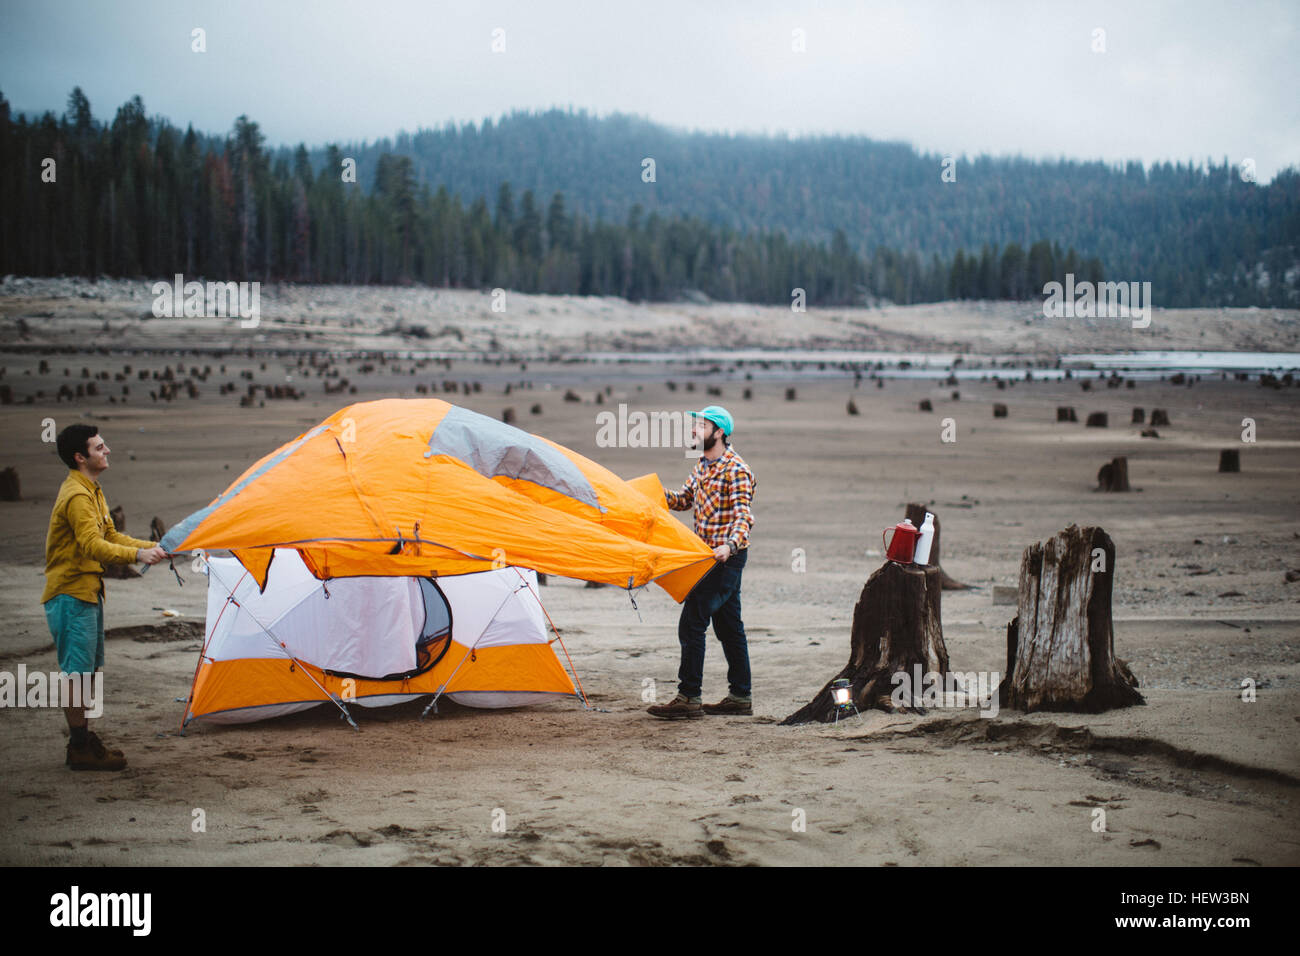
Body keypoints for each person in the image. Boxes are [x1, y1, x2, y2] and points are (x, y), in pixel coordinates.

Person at [41, 424, 167, 770]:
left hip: (87, 592)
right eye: (99, 448)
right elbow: (92, 545)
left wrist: (153, 547)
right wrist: (138, 557)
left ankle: (82, 741)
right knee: (77, 674)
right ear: (81, 457)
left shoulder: (91, 489)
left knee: (87, 672)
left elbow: (111, 534)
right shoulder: (78, 496)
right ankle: (79, 747)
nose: (107, 450)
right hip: (70, 594)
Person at [648, 405, 756, 720]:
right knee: (729, 627)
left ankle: (689, 697)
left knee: (692, 622)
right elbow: (684, 499)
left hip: (725, 558)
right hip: (705, 556)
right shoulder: (702, 465)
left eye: (700, 426)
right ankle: (740, 697)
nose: (693, 431)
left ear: (719, 432)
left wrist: (729, 545)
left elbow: (743, 515)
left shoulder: (736, 469)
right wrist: (653, 495)